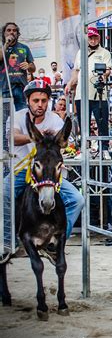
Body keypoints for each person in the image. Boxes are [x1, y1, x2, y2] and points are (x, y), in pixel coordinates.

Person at [5, 80, 84, 247]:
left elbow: (63, 142)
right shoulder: (17, 117)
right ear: (27, 101)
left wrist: (56, 139)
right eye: (35, 100)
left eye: (44, 100)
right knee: (2, 194)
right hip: (21, 172)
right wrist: (36, 136)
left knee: (77, 199)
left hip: (47, 174)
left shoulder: (55, 120)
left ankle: (57, 241)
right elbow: (12, 137)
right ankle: (6, 243)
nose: (40, 104)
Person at [65, 26, 112, 150]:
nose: (93, 40)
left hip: (99, 95)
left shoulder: (105, 53)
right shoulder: (80, 53)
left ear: (99, 37)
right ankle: (85, 149)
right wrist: (70, 83)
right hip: (82, 95)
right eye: (90, 37)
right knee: (83, 124)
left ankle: (104, 149)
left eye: (95, 37)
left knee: (102, 124)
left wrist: (103, 76)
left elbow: (107, 69)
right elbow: (76, 71)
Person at [0, 22, 36, 110]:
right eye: (8, 30)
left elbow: (33, 68)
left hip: (21, 86)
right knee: (5, 116)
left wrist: (29, 66)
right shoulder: (1, 47)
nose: (12, 32)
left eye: (14, 30)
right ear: (4, 33)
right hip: (5, 86)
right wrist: (6, 44)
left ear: (17, 33)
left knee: (22, 114)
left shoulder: (24, 48)